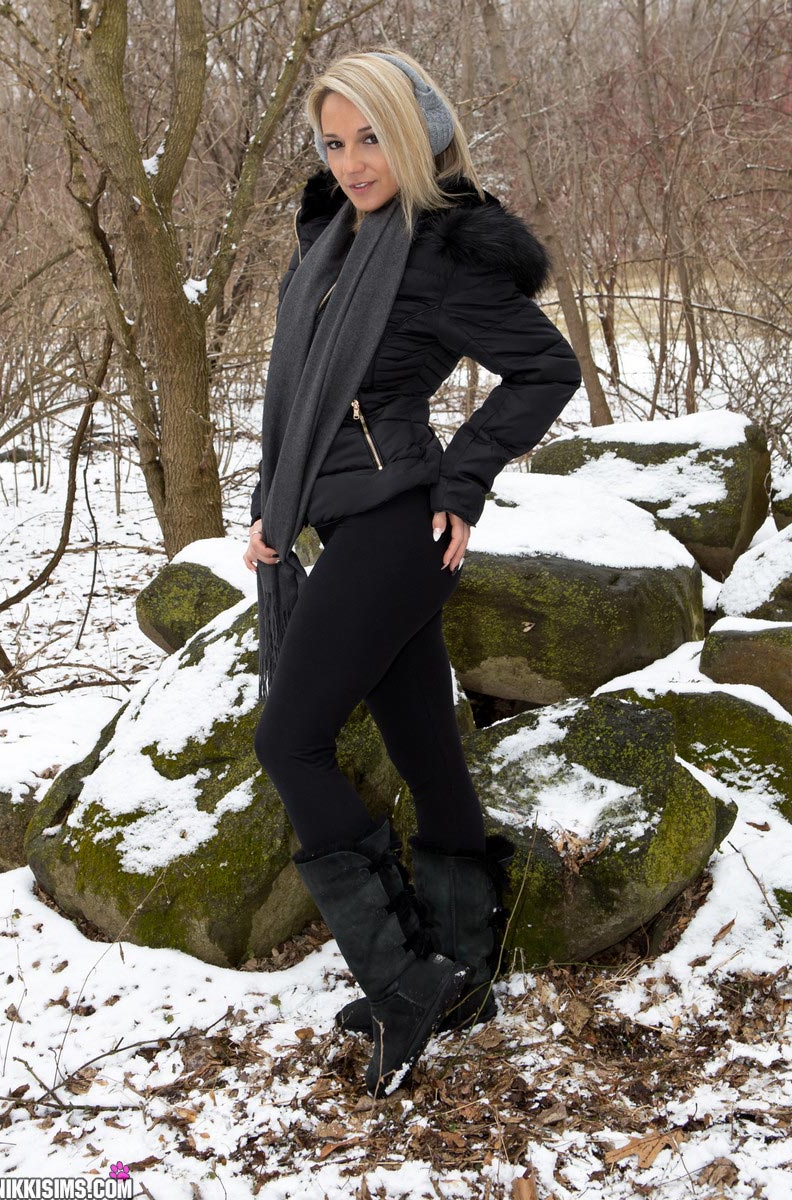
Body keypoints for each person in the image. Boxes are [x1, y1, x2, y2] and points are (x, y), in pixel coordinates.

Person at [243, 46, 582, 1098]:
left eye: (371, 138)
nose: (351, 162)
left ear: (416, 135)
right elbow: (298, 392)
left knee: (288, 739)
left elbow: (547, 367)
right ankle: (464, 972)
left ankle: (402, 978)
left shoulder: (438, 254)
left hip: (398, 524)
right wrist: (271, 506)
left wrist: (465, 479)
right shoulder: (331, 240)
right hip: (342, 517)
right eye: (333, 142)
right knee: (425, 749)